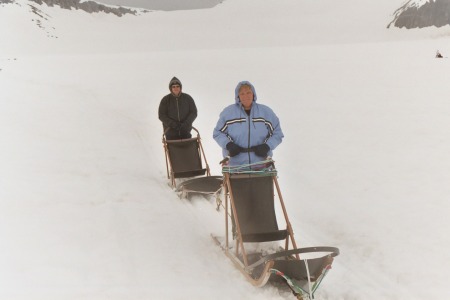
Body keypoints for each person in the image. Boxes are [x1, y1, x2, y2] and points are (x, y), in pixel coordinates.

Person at [213, 81, 284, 166]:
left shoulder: (266, 112)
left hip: (262, 165)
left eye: (248, 92)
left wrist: (267, 146)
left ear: (253, 94)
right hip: (235, 166)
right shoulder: (228, 113)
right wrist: (228, 144)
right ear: (237, 96)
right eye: (242, 93)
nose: (245, 96)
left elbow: (277, 133)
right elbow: (218, 133)